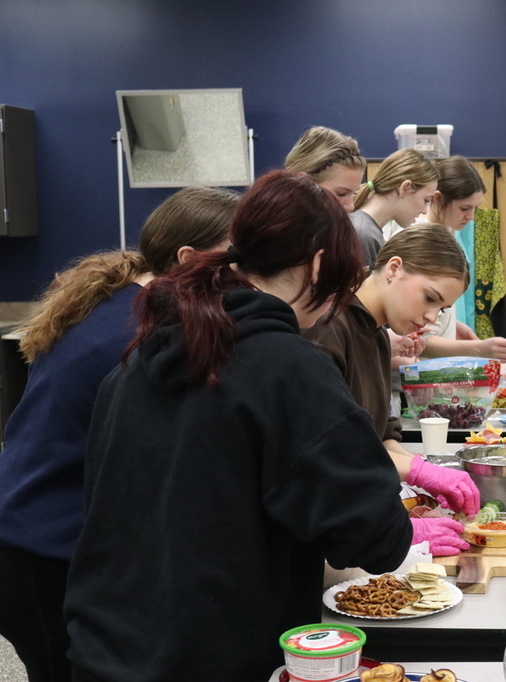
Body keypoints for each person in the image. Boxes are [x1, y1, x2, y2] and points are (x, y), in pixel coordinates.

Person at [63, 171, 420, 681]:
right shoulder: (288, 367)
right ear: (317, 265)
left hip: (106, 647)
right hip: (215, 655)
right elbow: (374, 539)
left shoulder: (141, 356)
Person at [0, 186, 239, 682]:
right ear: (188, 258)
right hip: (43, 547)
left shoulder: (125, 299)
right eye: (235, 262)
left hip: (35, 528)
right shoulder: (140, 333)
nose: (245, 280)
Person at [303, 223, 481, 531]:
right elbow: (333, 454)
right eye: (430, 298)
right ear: (394, 268)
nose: (431, 318)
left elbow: (379, 435)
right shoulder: (328, 327)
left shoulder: (376, 334)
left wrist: (423, 469)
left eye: (442, 309)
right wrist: (417, 473)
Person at [284, 126, 425, 362]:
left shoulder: (332, 238)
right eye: (341, 194)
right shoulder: (283, 247)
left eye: (353, 193)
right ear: (304, 183)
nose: (350, 205)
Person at [386, 156, 506, 362]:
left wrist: (453, 325)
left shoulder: (444, 236)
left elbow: (429, 322)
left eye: (475, 208)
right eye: (464, 208)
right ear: (438, 198)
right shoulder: (422, 242)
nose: (471, 217)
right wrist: (477, 349)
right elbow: (416, 339)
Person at [350, 147, 438, 266]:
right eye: (426, 200)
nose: (424, 211)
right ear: (405, 188)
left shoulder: (367, 230)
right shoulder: (364, 235)